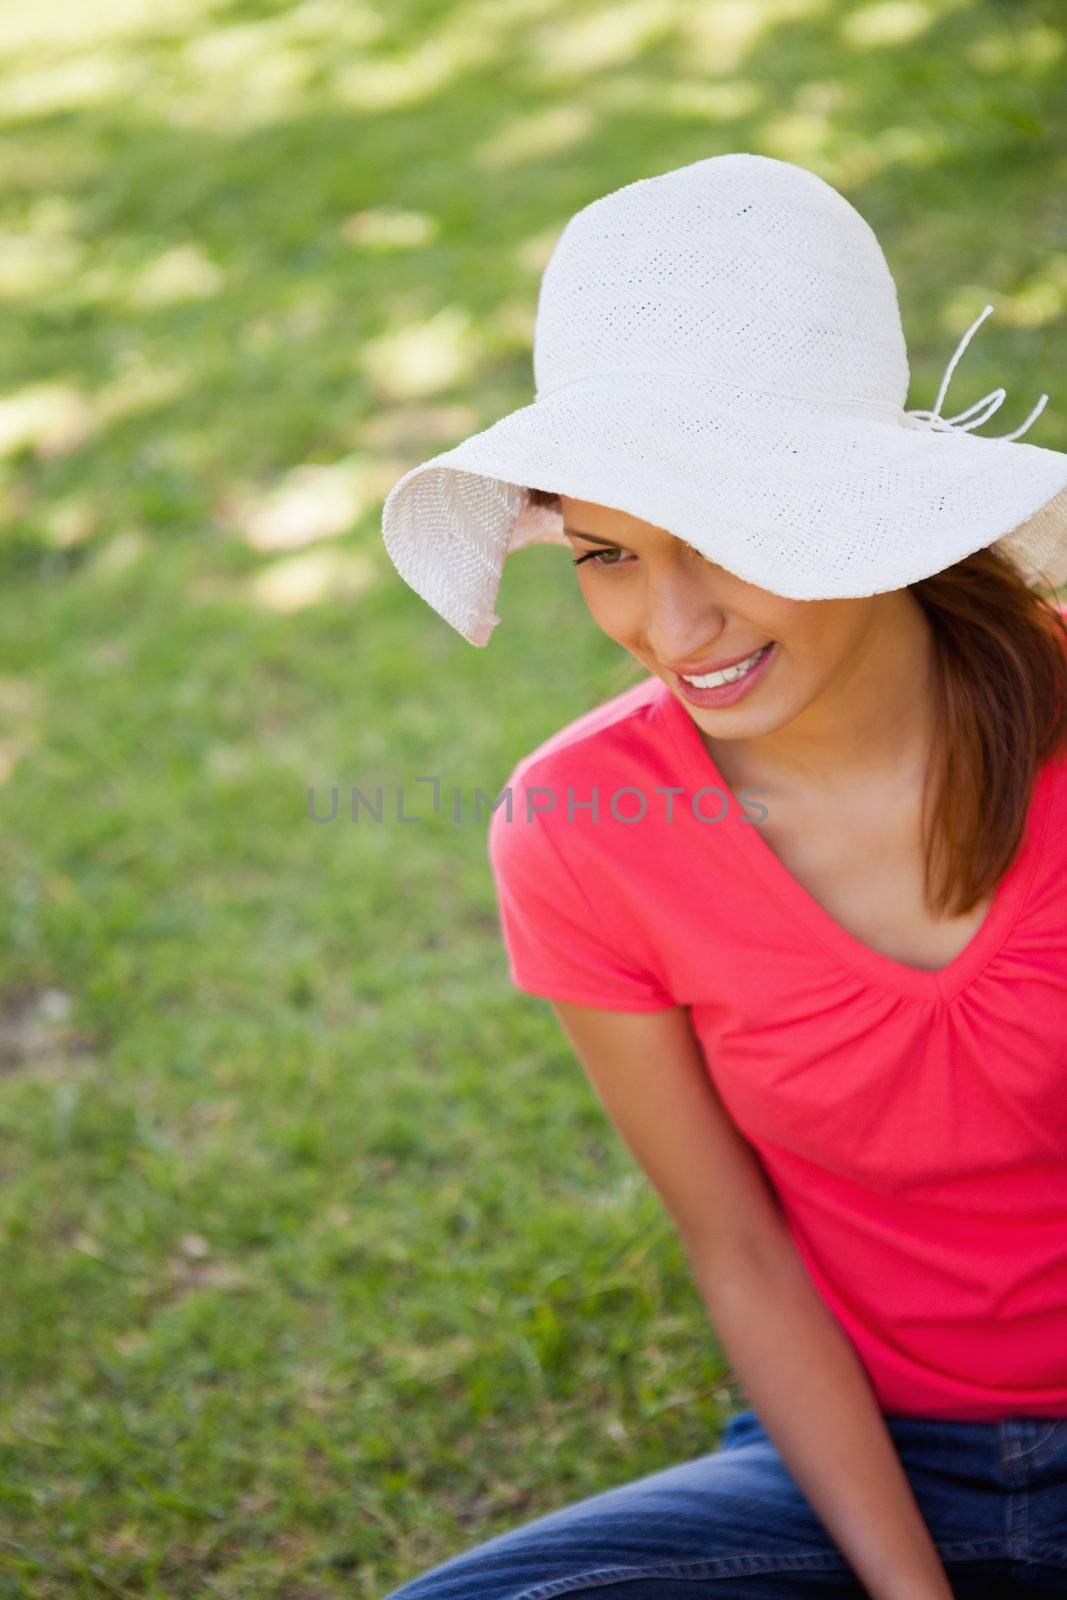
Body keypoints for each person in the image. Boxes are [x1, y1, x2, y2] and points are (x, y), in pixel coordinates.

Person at [378, 155, 1067, 1598]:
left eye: (725, 539)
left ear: (862, 501)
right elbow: (739, 1250)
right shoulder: (577, 829)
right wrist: (908, 1591)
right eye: (610, 553)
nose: (674, 624)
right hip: (871, 1457)